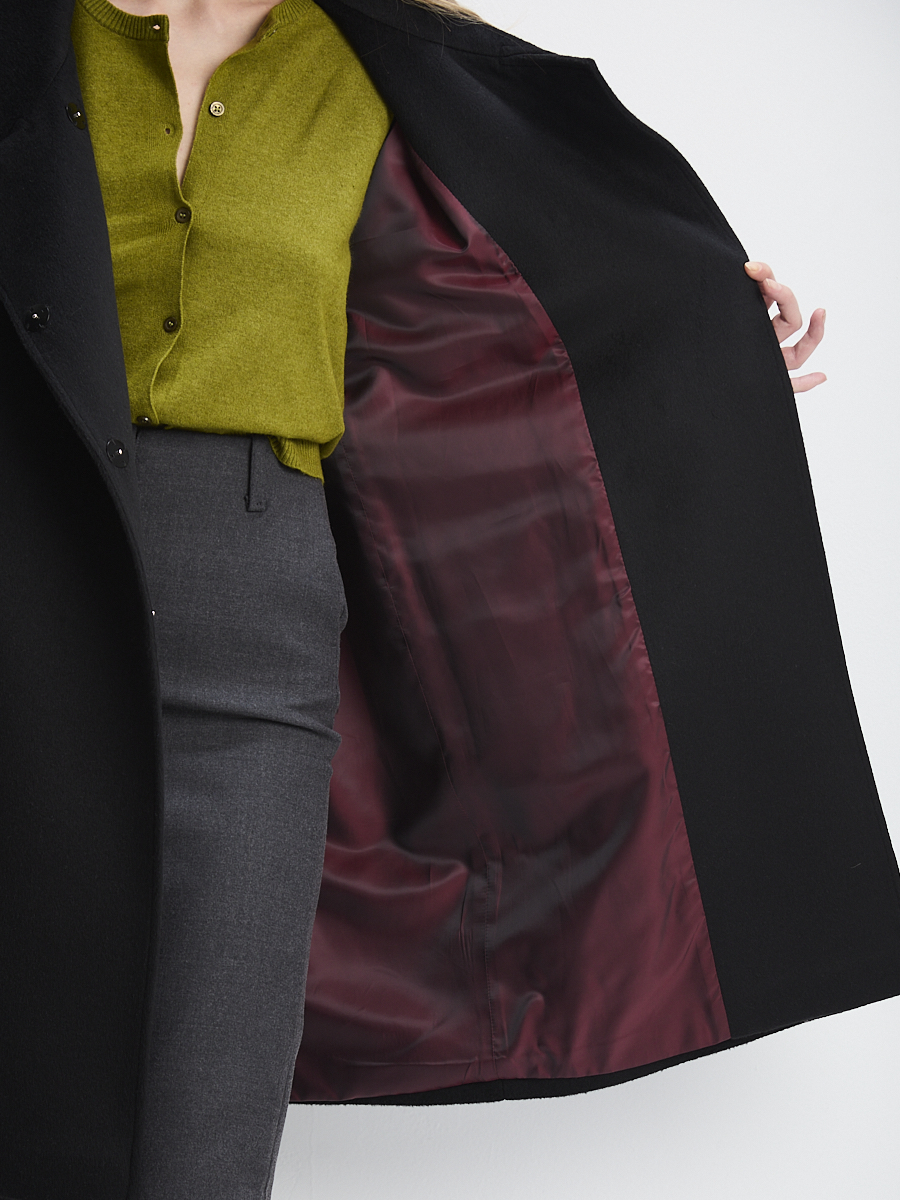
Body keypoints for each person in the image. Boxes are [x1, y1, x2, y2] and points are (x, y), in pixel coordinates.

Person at [1, 2, 898, 1198]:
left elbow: (519, 294)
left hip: (260, 628)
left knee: (206, 1138)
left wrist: (709, 338)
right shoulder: (35, 37)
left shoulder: (370, 57)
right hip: (34, 590)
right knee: (33, 1105)